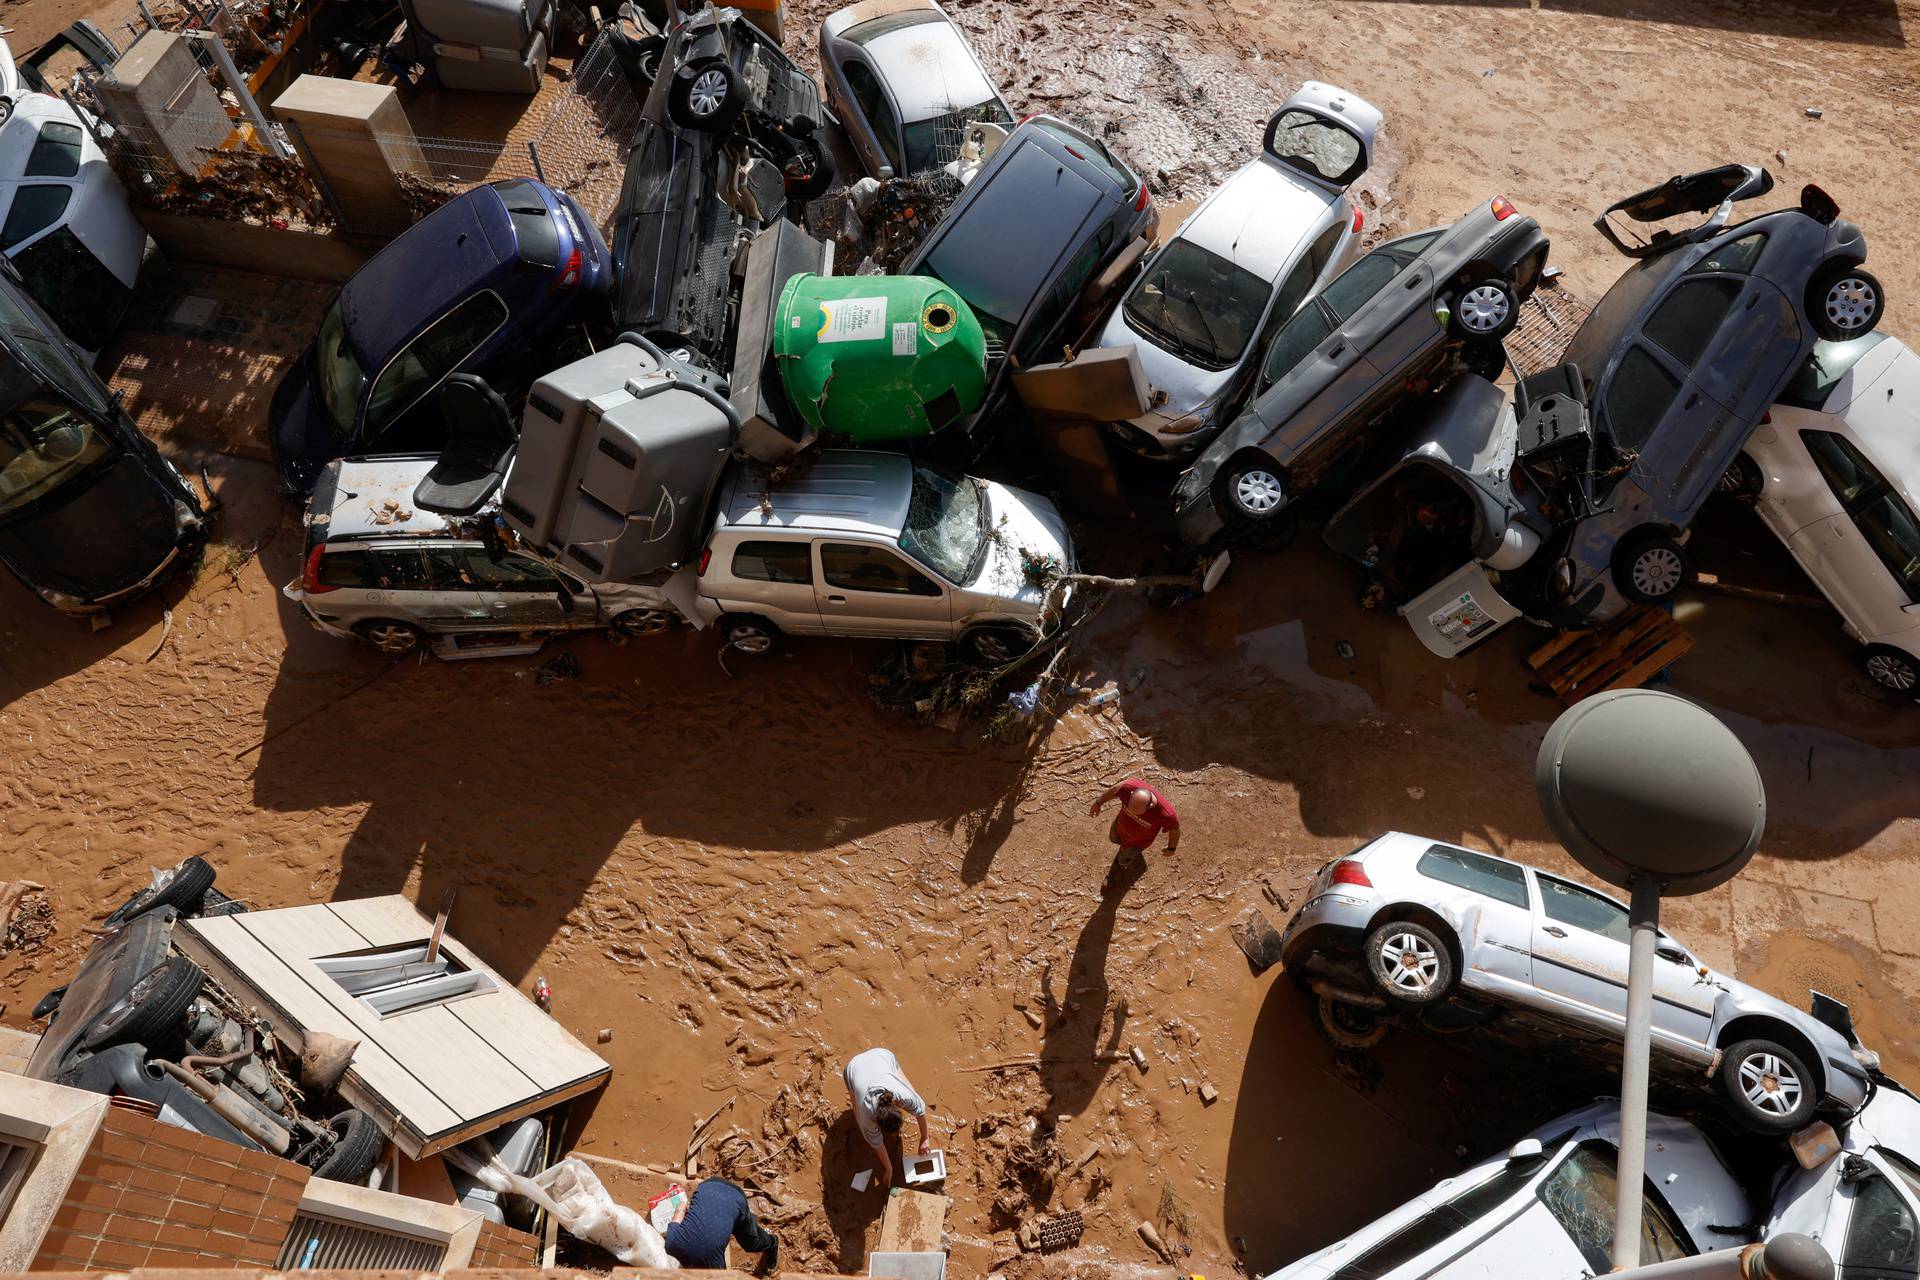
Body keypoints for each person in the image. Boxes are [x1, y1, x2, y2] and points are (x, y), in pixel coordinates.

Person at [844, 1047, 930, 1188]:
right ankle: (857, 1094)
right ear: (877, 1122)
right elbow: (877, 1143)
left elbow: (920, 1111)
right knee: (859, 1120)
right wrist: (888, 1167)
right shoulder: (867, 1117)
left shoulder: (902, 1095)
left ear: (895, 1105)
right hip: (853, 1068)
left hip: (882, 1056)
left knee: (908, 1087)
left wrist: (925, 1137)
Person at [664, 1177, 778, 1272]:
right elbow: (681, 1208)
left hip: (736, 1198)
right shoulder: (671, 1243)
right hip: (708, 1185)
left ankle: (772, 1242)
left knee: (750, 1243)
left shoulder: (714, 1265)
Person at [1090, 779, 1180, 886]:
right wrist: (1098, 802)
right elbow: (1115, 789)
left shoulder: (1166, 814)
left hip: (1137, 843)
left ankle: (1116, 871)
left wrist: (1171, 848)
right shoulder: (1129, 788)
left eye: (1137, 813)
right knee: (1113, 838)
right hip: (1119, 827)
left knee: (1124, 858)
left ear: (1150, 806)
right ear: (1131, 795)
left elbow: (1175, 830)